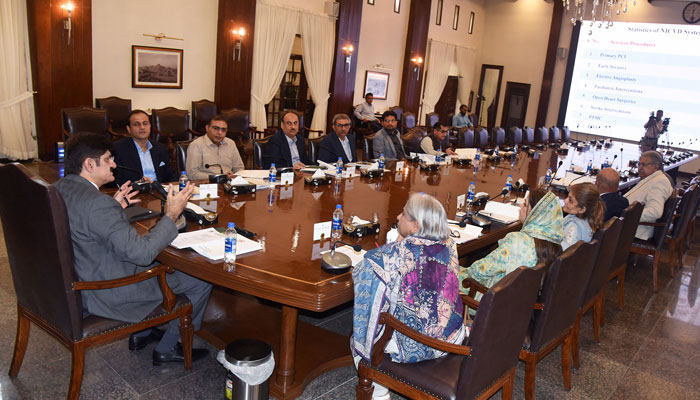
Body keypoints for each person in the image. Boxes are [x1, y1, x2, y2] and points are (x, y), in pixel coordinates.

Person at [53, 132, 212, 366]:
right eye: (108, 159)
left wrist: (114, 207)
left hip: (82, 274)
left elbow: (83, 222)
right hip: (105, 291)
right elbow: (142, 254)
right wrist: (171, 214)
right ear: (89, 164)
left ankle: (146, 331)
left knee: (164, 258)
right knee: (200, 278)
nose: (114, 165)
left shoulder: (59, 189)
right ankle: (168, 347)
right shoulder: (97, 204)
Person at [352, 193, 465, 399]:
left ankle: (379, 391)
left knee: (360, 336)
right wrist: (403, 242)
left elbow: (362, 273)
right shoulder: (449, 245)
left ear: (415, 226)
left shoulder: (391, 256)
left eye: (403, 213)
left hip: (422, 345)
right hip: (454, 336)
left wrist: (397, 245)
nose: (397, 216)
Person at [459, 188, 564, 295]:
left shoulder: (517, 242)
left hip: (489, 300)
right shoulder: (555, 245)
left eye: (525, 204)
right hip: (520, 304)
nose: (520, 208)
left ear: (534, 214)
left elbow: (477, 272)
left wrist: (457, 267)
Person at [112, 110, 178, 186]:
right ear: (129, 129)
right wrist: (135, 184)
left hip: (160, 192)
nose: (142, 127)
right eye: (137, 124)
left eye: (145, 123)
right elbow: (114, 180)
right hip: (133, 193)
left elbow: (171, 175)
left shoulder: (160, 148)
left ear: (150, 126)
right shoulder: (118, 149)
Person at [624, 150, 674, 240]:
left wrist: (626, 215)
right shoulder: (651, 177)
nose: (640, 168)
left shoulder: (660, 181)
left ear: (656, 166)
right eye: (639, 164)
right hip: (629, 224)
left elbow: (655, 212)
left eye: (644, 165)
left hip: (636, 230)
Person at [186, 115, 244, 179]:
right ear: (207, 128)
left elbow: (239, 168)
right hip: (207, 185)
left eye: (223, 130)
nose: (220, 133)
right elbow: (192, 174)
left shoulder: (231, 143)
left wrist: (234, 175)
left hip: (229, 184)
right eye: (216, 128)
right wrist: (219, 178)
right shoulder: (196, 145)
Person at [561, 183, 605, 250]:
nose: (565, 200)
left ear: (582, 209)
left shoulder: (574, 227)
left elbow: (563, 253)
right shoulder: (589, 219)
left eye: (570, 200)